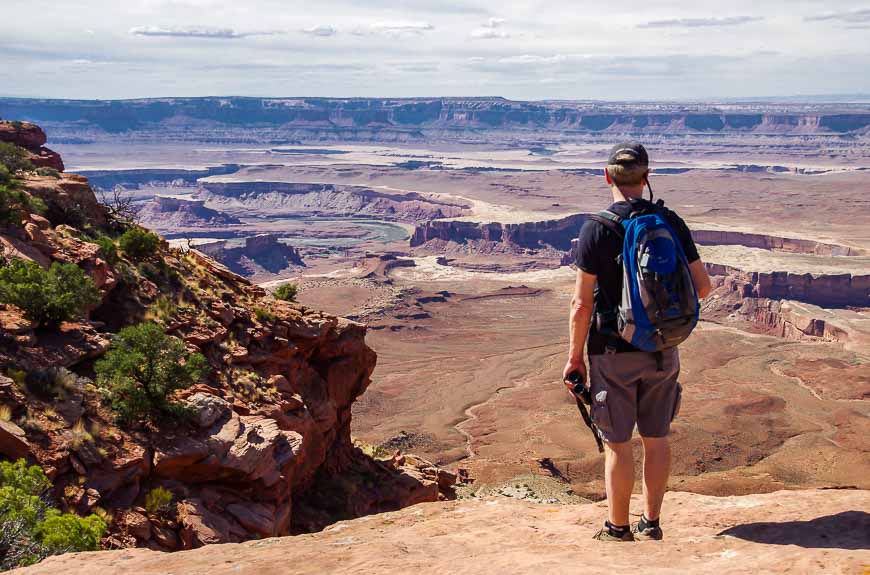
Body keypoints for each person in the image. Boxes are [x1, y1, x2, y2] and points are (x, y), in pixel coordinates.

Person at [563, 142, 712, 542]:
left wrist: (574, 357)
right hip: (664, 350)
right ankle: (652, 521)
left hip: (612, 353)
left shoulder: (597, 227)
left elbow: (581, 304)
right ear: (646, 177)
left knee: (617, 443)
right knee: (657, 437)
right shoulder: (669, 221)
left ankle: (618, 527)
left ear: (606, 176)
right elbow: (704, 286)